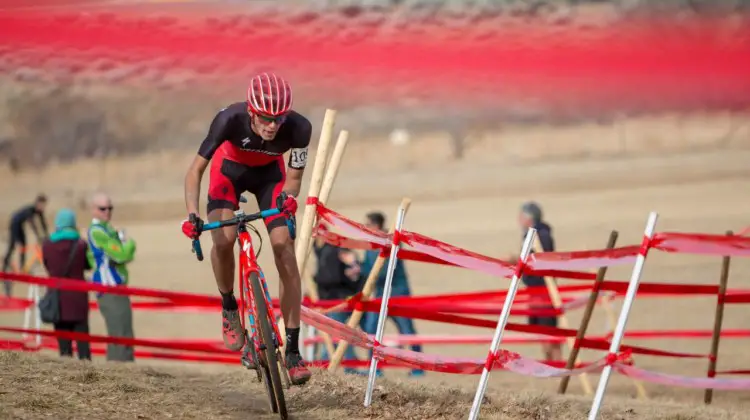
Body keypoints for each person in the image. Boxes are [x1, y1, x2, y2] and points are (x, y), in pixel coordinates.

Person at [180, 73, 312, 385]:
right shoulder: (228, 120)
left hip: (270, 178)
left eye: (279, 119)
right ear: (251, 111)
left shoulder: (300, 128)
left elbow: (293, 179)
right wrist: (192, 214)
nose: (273, 126)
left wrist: (289, 200)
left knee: (285, 249)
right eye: (266, 118)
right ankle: (229, 306)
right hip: (228, 173)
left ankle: (292, 352)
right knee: (224, 240)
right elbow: (194, 172)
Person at [360, 211, 424, 378]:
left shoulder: (392, 242)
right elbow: (368, 269)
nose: (366, 228)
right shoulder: (370, 245)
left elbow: (384, 271)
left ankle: (418, 366)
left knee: (407, 330)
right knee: (371, 330)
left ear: (376, 225)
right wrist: (357, 268)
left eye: (368, 225)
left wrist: (361, 270)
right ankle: (375, 367)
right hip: (380, 295)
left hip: (397, 295)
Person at [509, 201, 562, 362]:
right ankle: (551, 361)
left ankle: (556, 362)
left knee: (547, 330)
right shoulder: (534, 234)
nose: (518, 219)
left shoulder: (540, 235)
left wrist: (516, 261)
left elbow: (539, 261)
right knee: (541, 330)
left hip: (542, 290)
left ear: (529, 218)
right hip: (536, 290)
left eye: (522, 216)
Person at [87, 193, 137, 362]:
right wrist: (129, 243)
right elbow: (122, 255)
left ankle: (125, 371)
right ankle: (120, 373)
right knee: (119, 335)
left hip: (117, 287)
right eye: (102, 208)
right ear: (93, 210)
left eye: (110, 208)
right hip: (109, 289)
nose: (107, 212)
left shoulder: (107, 229)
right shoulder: (97, 232)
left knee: (126, 333)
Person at [312, 223, 363, 373]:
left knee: (339, 334)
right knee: (332, 334)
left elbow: (332, 277)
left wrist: (317, 279)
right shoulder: (321, 251)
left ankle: (350, 366)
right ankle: (325, 364)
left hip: (336, 299)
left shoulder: (332, 251)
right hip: (328, 299)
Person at [42, 208, 92, 361]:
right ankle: (88, 379)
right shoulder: (80, 244)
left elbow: (47, 265)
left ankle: (67, 380)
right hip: (78, 299)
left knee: (64, 349)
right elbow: (88, 265)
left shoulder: (47, 245)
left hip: (57, 300)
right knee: (83, 347)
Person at [2, 194, 49, 297]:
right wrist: (38, 236)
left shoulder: (38, 212)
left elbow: (43, 223)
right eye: (42, 205)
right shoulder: (30, 210)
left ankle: (22, 266)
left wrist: (46, 236)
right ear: (37, 203)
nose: (42, 207)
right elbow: (32, 224)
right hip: (14, 224)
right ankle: (5, 266)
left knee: (23, 244)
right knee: (13, 245)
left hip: (20, 225)